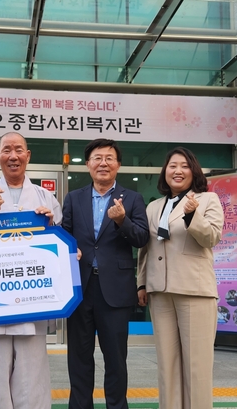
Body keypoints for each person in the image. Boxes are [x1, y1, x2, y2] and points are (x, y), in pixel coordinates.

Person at [0, 131, 61, 409]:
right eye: (6, 150)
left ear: (28, 156)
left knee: (32, 372)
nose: (13, 156)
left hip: (33, 299)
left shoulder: (45, 197)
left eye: (19, 150)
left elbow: (58, 245)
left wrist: (51, 225)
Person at [62, 139, 149, 409]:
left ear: (118, 165)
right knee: (79, 358)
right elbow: (64, 235)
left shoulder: (132, 198)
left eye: (109, 158)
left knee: (116, 359)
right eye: (97, 158)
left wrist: (122, 220)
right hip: (80, 288)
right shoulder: (74, 198)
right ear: (88, 164)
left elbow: (142, 238)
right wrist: (70, 250)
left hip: (115, 290)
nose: (103, 163)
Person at [136, 147, 224, 409]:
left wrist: (192, 214)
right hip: (160, 292)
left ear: (194, 171)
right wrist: (142, 283)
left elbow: (211, 238)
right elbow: (146, 248)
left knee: (197, 366)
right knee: (167, 365)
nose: (178, 170)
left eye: (184, 166)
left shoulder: (207, 200)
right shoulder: (154, 206)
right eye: (172, 165)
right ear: (165, 171)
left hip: (194, 290)